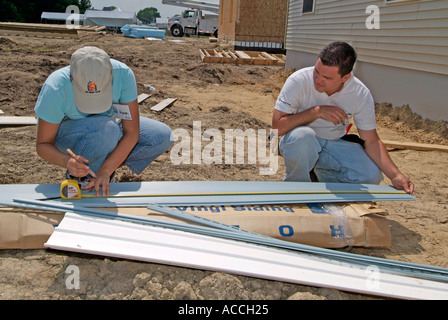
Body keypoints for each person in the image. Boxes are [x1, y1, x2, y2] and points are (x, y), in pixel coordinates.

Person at [272, 41, 414, 194]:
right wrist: (316, 112)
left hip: (332, 143)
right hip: (298, 142)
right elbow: (276, 129)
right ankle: (295, 188)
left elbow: (371, 140)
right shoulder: (298, 80)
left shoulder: (360, 94)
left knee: (370, 176)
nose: (318, 79)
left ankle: (318, 178)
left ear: (345, 77)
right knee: (303, 137)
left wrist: (395, 175)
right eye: (317, 71)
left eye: (326, 77)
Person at [35, 46, 173, 196]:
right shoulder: (56, 87)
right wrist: (66, 161)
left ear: (110, 76)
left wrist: (106, 170)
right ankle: (81, 177)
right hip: (69, 136)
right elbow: (43, 144)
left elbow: (132, 132)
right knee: (105, 129)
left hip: (107, 129)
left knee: (161, 136)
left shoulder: (123, 75)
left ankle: (99, 172)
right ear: (73, 79)